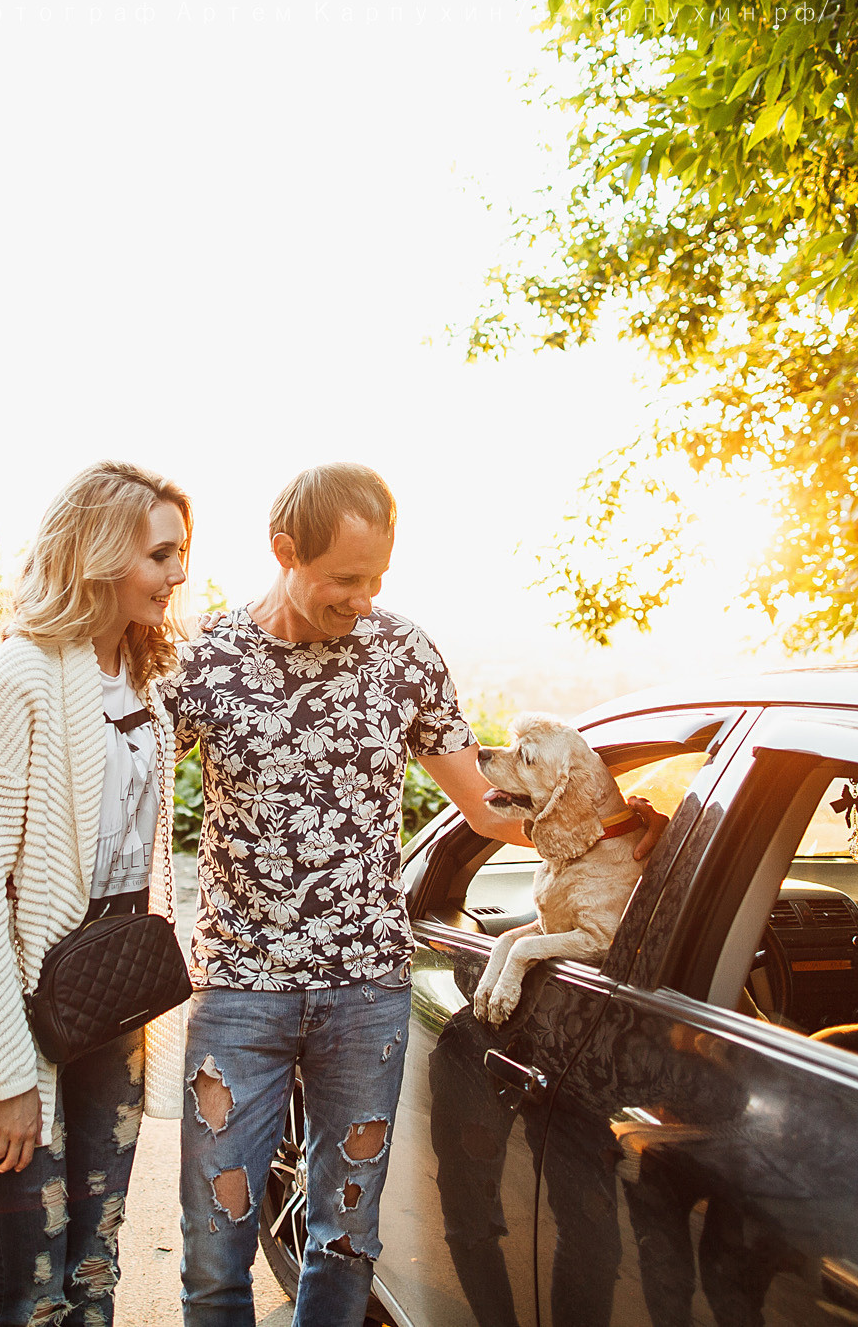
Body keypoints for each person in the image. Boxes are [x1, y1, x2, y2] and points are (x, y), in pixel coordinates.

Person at [162, 463, 662, 1326]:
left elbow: (490, 807)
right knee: (214, 1245)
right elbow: (127, 791)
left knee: (346, 1240)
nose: (365, 600)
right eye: (346, 579)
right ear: (285, 551)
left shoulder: (406, 654)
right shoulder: (205, 658)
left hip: (366, 994)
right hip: (239, 991)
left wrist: (620, 828)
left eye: (379, 578)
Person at [0, 460, 191, 1327]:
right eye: (160, 554)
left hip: (117, 1002)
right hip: (26, 1007)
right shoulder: (21, 675)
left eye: (181, 553)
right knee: (30, 1292)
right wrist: (6, 1075)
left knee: (94, 1272)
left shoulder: (145, 673)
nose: (178, 574)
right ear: (100, 553)